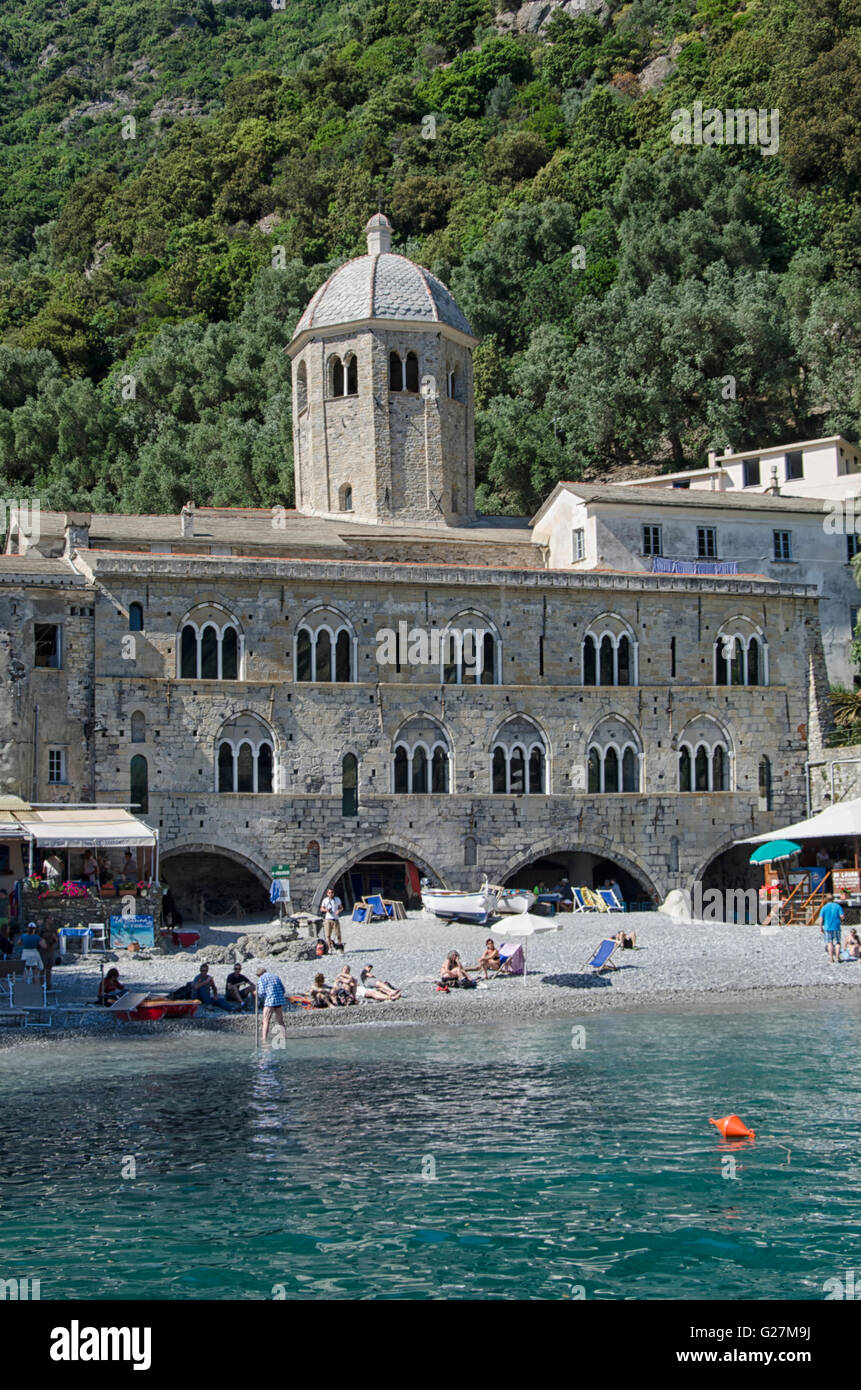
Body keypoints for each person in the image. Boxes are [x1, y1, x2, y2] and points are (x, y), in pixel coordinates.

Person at [255, 966, 288, 1041]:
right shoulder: (276, 977)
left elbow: (261, 993)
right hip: (279, 1001)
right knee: (280, 1021)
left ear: (259, 974)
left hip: (270, 1001)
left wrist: (256, 993)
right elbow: (283, 990)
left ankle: (264, 1039)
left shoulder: (261, 978)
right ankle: (284, 1037)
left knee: (266, 1021)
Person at [818, 894, 845, 963]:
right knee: (838, 942)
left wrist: (820, 927)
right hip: (836, 927)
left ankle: (831, 958)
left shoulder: (824, 907)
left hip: (827, 927)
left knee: (829, 943)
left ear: (826, 899)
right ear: (833, 899)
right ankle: (837, 957)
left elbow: (821, 919)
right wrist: (841, 919)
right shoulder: (837, 906)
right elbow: (842, 916)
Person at [39, 917, 60, 989]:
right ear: (47, 919)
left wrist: (55, 939)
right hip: (43, 950)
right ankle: (41, 984)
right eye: (50, 919)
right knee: (42, 968)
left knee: (49, 968)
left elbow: (57, 939)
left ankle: (48, 984)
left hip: (51, 949)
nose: (51, 920)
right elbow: (39, 938)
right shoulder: (42, 929)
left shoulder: (53, 929)